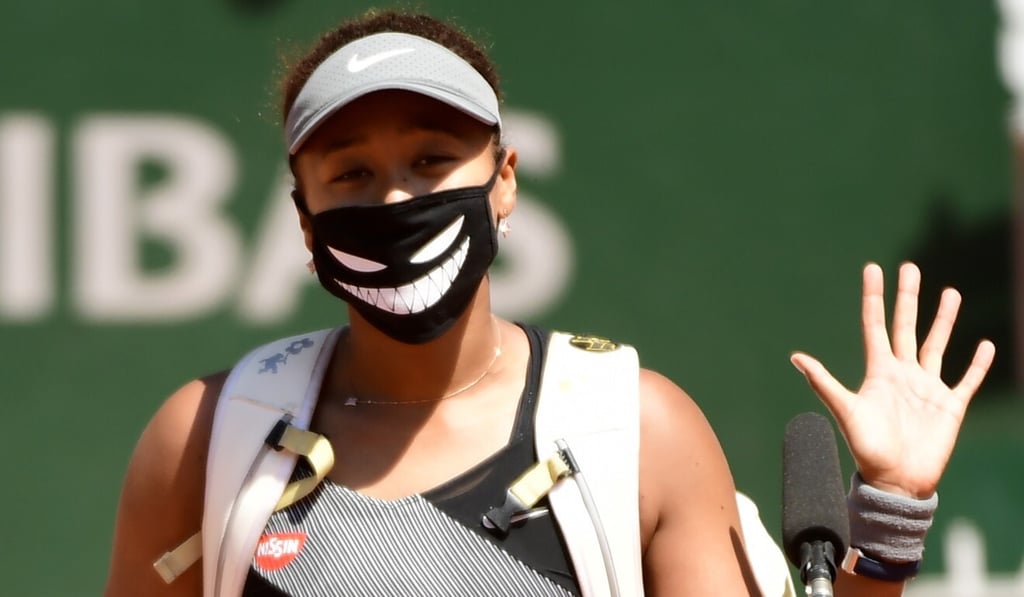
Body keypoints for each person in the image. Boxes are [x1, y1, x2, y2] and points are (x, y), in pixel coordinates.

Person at [103, 8, 996, 597]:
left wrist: (887, 521)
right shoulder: (204, 440)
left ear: (503, 181)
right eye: (351, 174)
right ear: (303, 219)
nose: (393, 202)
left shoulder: (636, 430)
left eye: (430, 159)